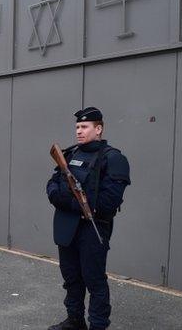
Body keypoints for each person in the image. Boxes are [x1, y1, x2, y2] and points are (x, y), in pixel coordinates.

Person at [46, 107, 131, 330]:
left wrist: (69, 202)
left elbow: (108, 202)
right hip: (66, 228)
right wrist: (67, 201)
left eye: (84, 127)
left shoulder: (113, 159)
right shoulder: (70, 154)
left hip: (92, 230)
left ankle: (98, 325)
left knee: (94, 281)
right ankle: (75, 320)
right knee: (72, 279)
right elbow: (52, 184)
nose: (79, 131)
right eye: (77, 127)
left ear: (99, 129)